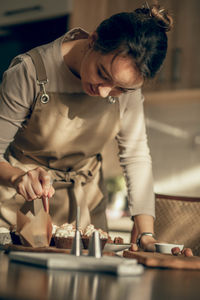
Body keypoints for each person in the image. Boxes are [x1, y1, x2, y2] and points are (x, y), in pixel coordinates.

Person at [0, 4, 173, 251]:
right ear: (93, 40)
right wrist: (18, 177)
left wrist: (146, 232)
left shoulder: (128, 86)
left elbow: (135, 155)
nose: (103, 92)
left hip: (87, 214)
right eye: (101, 72)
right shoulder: (30, 72)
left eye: (119, 89)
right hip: (22, 209)